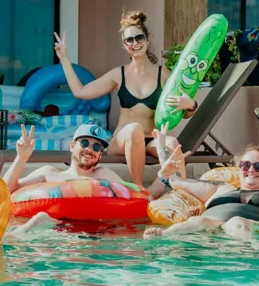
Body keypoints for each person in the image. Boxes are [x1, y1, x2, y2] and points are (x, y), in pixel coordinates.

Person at [53, 11, 198, 186]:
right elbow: (81, 91)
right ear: (124, 45)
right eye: (129, 40)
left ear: (147, 39)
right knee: (133, 129)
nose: (135, 43)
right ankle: (139, 190)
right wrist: (64, 59)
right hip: (123, 140)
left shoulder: (164, 75)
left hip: (151, 140)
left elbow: (186, 112)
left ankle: (182, 193)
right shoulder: (119, 74)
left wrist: (191, 104)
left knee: (173, 142)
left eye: (139, 38)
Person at [3, 123, 124, 194]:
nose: (89, 149)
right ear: (72, 146)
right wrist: (21, 157)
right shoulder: (49, 174)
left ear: (100, 155)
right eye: (84, 143)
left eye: (97, 147)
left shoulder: (104, 174)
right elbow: (6, 192)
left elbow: (133, 195)